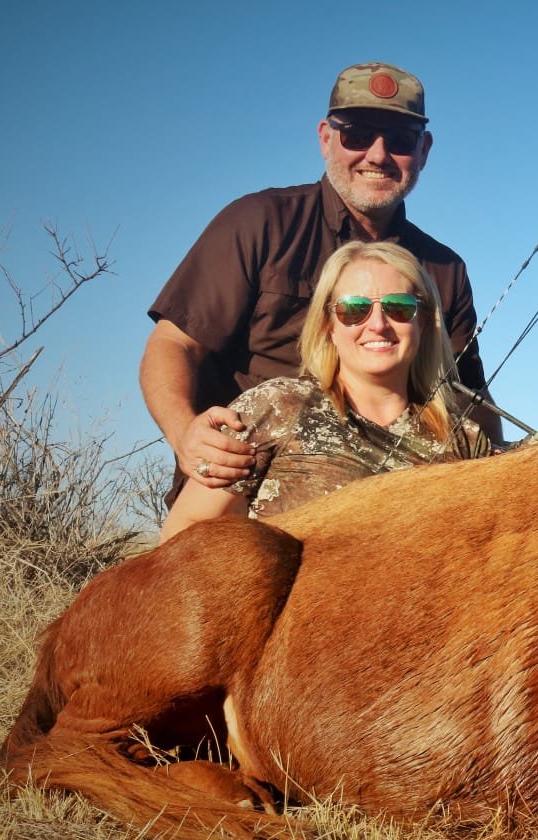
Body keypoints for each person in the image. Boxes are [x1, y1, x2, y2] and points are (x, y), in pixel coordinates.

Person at [141, 61, 501, 506]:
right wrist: (185, 435)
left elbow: (469, 395)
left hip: (400, 504)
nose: (377, 154)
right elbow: (173, 344)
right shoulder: (259, 222)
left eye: (402, 140)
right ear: (326, 138)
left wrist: (502, 473)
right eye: (357, 134)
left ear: (424, 150)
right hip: (246, 488)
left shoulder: (445, 268)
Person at [159, 241, 490, 542]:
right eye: (354, 309)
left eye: (399, 307)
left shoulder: (467, 441)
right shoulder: (275, 405)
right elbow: (184, 532)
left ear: (423, 322)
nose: (378, 324)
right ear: (329, 324)